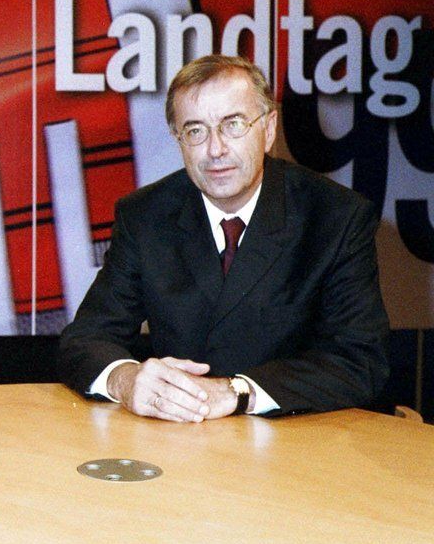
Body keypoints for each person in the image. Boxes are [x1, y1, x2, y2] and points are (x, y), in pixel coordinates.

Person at [58, 55, 389, 422]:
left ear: (268, 129)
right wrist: (126, 380)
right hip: (179, 438)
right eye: (195, 131)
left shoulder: (335, 217)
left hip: (297, 435)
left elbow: (360, 361)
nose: (215, 149)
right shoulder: (145, 216)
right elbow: (85, 339)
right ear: (179, 141)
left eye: (233, 125)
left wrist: (238, 392)